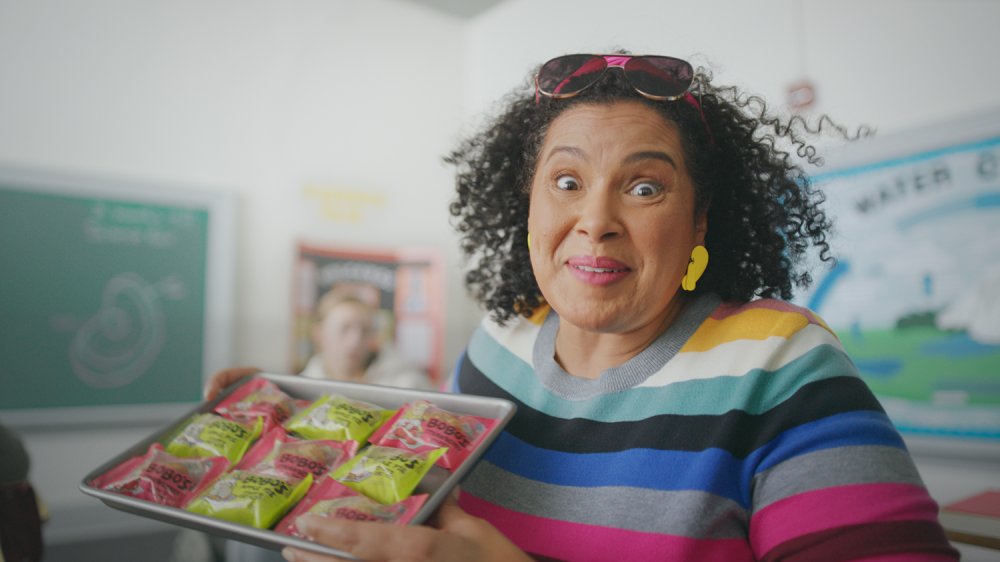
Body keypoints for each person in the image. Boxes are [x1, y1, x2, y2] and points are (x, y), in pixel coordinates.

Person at [206, 52, 960, 562]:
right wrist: (296, 428)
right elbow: (428, 497)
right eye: (566, 181)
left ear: (699, 222)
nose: (595, 219)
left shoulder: (780, 366)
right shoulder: (498, 344)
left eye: (644, 187)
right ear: (527, 206)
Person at [300, 291, 432, 390]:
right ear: (319, 333)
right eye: (344, 329)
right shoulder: (300, 389)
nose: (355, 341)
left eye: (365, 330)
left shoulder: (407, 384)